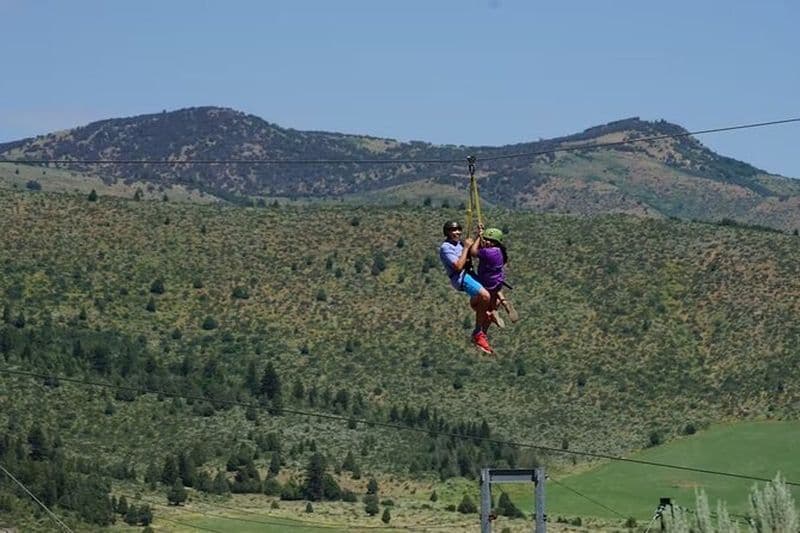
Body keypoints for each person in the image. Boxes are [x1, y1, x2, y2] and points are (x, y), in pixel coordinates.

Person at [439, 220, 494, 354]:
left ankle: (482, 328)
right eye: (453, 230)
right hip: (460, 278)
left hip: (469, 274)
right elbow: (458, 267)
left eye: (458, 230)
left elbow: (473, 251)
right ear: (447, 233)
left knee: (494, 297)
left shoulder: (460, 244)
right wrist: (465, 248)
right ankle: (477, 332)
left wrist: (479, 235)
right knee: (485, 296)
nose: (457, 233)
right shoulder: (446, 247)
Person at [471, 227, 518, 326]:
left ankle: (493, 312)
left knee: (477, 303)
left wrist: (479, 237)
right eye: (486, 239)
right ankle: (504, 303)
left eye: (491, 241)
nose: (487, 242)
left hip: (487, 282)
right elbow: (483, 248)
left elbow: (473, 252)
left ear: (496, 242)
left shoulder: (488, 252)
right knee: (495, 293)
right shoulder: (499, 251)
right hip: (497, 281)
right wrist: (481, 235)